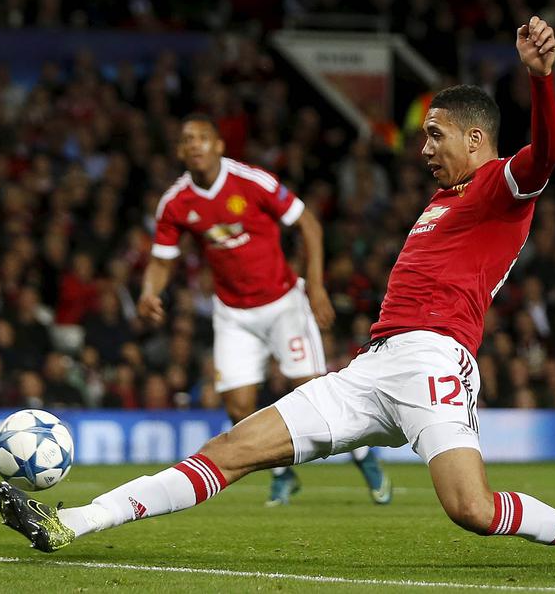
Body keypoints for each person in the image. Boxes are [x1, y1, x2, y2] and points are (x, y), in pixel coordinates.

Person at [0, 17, 555, 569]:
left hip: (434, 364)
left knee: (470, 510)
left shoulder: (499, 184)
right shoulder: (442, 200)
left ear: (477, 140)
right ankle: (69, 524)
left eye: (435, 135)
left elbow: (548, 157)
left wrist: (539, 82)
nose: (424, 148)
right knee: (231, 447)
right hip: (373, 366)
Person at [138, 111, 391, 506]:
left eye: (202, 137)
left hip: (284, 303)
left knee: (312, 394)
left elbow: (308, 223)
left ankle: (365, 459)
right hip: (233, 314)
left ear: (219, 145)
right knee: (238, 406)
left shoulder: (251, 181)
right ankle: (282, 475)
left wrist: (317, 286)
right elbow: (161, 260)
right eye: (187, 140)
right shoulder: (175, 203)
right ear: (179, 151)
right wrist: (149, 292)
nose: (195, 145)